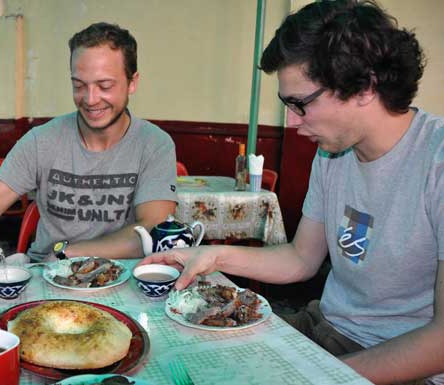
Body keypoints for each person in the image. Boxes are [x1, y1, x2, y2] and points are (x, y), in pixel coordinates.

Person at [138, 1, 444, 384]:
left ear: (365, 87)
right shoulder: (333, 153)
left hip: (407, 364)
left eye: (300, 104)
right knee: (181, 361)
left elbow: (440, 341)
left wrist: (318, 376)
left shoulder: (436, 159)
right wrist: (211, 255)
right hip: (325, 330)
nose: (292, 122)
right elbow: (301, 259)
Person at [0, 22, 178, 260]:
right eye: (78, 85)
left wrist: (67, 252)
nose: (90, 98)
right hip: (46, 279)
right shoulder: (42, 140)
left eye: (105, 86)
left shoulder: (154, 144)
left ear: (132, 83)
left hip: (121, 278)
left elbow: (151, 230)